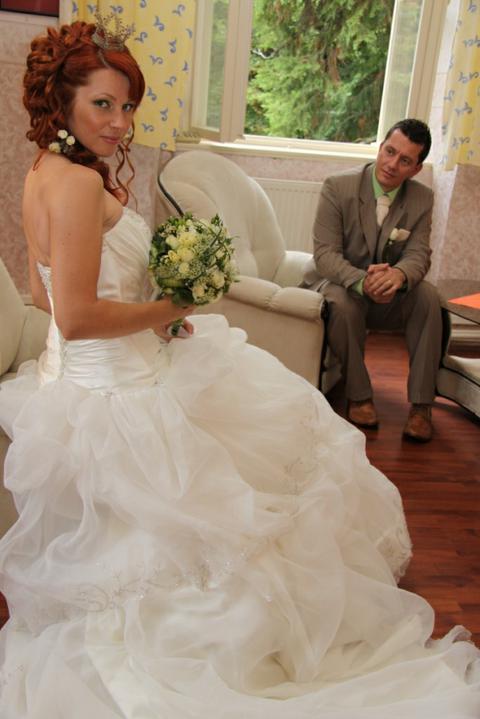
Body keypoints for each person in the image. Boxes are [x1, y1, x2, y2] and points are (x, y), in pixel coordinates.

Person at [0, 18, 478, 718]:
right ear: (61, 99)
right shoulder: (74, 184)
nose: (120, 122)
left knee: (150, 541)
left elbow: (43, 296)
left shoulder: (42, 173)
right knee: (222, 522)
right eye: (102, 103)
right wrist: (167, 306)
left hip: (79, 381)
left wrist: (146, 318)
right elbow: (73, 315)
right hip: (123, 391)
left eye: (127, 105)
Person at [302, 119, 442, 442]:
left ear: (416, 169)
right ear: (380, 148)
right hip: (341, 285)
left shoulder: (422, 198)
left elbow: (418, 254)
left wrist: (398, 276)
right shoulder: (337, 186)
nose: (392, 164)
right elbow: (325, 254)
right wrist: (363, 282)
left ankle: (422, 406)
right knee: (342, 303)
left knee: (428, 296)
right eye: (389, 151)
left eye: (404, 160)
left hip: (387, 296)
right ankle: (359, 395)